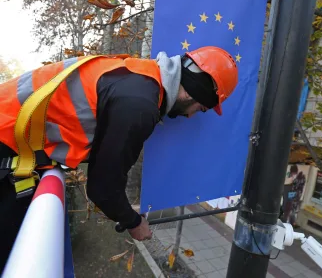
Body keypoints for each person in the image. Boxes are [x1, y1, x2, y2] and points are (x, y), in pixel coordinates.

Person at [0, 46, 238, 271]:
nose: (191, 116)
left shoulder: (138, 77)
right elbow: (103, 188)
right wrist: (134, 223)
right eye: (202, 109)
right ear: (194, 93)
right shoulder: (140, 106)